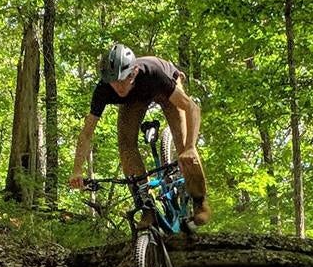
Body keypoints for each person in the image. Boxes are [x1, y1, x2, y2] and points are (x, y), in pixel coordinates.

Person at [66, 43, 210, 226]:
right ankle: (146, 207)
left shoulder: (154, 73)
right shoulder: (104, 89)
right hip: (135, 99)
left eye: (122, 80)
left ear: (133, 73)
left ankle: (199, 201)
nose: (117, 87)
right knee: (126, 146)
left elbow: (192, 107)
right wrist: (77, 170)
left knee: (183, 147)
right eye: (113, 81)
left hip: (164, 89)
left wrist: (190, 147)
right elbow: (86, 134)